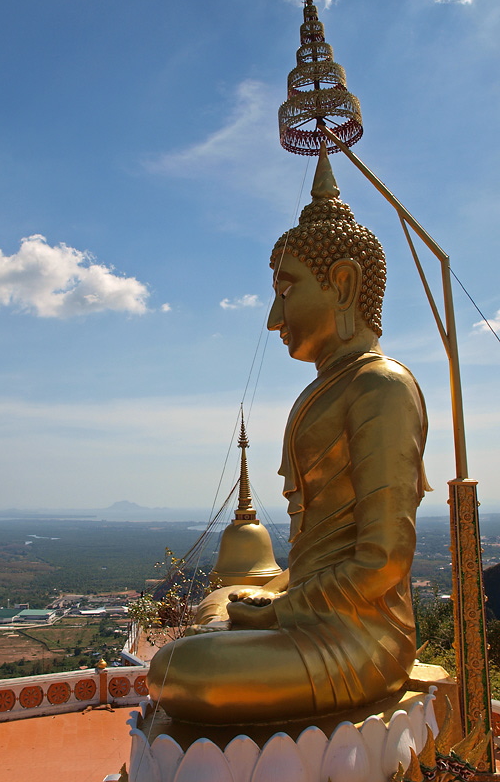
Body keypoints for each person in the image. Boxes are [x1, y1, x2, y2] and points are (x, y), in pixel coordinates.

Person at [147, 145, 429, 725]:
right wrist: (272, 597)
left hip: (365, 635)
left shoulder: (382, 387)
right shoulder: (329, 389)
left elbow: (382, 562)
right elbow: (315, 555)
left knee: (178, 671)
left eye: (287, 288)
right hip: (315, 610)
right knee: (219, 602)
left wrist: (280, 610)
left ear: (344, 284)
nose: (276, 317)